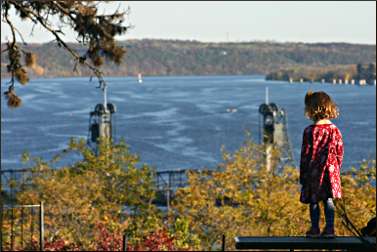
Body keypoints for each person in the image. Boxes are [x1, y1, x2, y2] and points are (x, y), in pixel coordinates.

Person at [299, 91, 344, 238]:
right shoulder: (335, 130)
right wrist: (336, 170)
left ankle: (315, 229)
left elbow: (305, 155)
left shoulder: (309, 131)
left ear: (311, 109)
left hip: (313, 172)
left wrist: (303, 175)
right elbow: (339, 152)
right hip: (331, 172)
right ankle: (330, 229)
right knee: (328, 200)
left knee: (314, 201)